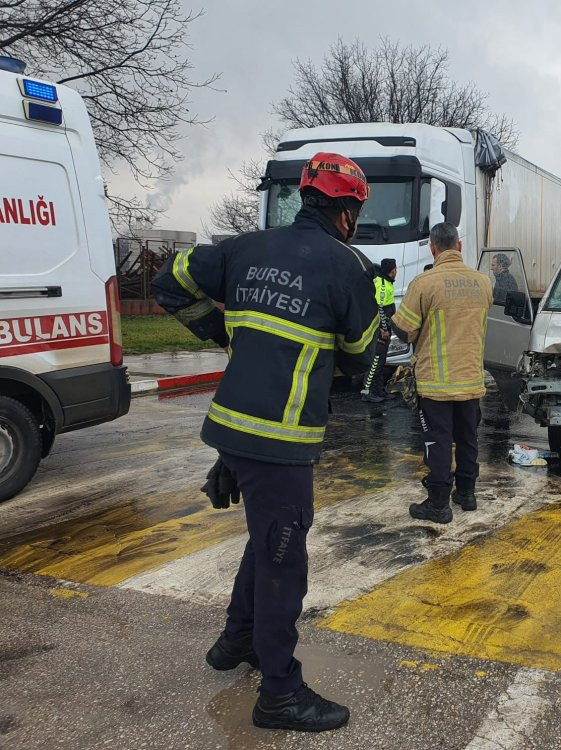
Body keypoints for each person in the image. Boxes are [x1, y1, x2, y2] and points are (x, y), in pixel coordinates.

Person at [151, 153, 379, 733]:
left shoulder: (243, 248)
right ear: (347, 212)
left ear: (304, 197)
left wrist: (219, 329)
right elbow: (361, 356)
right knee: (284, 558)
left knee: (265, 537)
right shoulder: (346, 266)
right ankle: (280, 693)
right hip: (280, 438)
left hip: (232, 428)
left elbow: (168, 282)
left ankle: (238, 639)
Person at [392, 222, 493, 524]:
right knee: (468, 438)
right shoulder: (483, 282)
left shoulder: (425, 283)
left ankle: (438, 505)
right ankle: (467, 494)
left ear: (432, 248)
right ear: (458, 246)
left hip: (436, 383)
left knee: (438, 441)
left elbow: (404, 329)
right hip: (471, 379)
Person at [361, 258, 397, 403]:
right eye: (395, 268)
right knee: (375, 362)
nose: (396, 271)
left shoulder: (387, 283)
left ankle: (379, 390)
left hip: (385, 328)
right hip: (380, 331)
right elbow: (380, 308)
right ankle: (366, 391)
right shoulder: (382, 285)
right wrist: (383, 329)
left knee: (381, 362)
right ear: (392, 270)